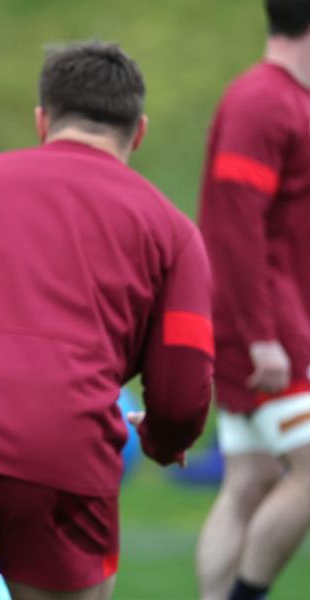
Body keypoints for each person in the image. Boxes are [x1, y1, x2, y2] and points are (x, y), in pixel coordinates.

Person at [0, 41, 213, 600]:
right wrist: (163, 438)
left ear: (42, 119)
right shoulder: (172, 230)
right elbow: (181, 389)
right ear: (140, 131)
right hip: (64, 437)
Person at [196, 2, 310, 598]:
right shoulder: (263, 100)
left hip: (269, 320)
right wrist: (263, 334)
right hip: (266, 328)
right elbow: (236, 227)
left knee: (250, 478)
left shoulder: (288, 99)